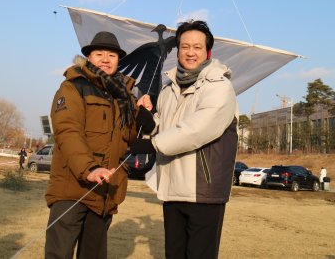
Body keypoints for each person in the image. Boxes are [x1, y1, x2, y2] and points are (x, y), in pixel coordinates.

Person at [130, 20, 238, 259]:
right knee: (174, 254)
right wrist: (148, 119)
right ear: (177, 50)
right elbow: (164, 127)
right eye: (185, 46)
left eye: (197, 47)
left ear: (207, 52)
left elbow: (197, 129)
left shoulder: (220, 87)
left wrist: (153, 144)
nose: (190, 52)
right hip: (171, 186)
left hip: (203, 190)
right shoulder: (169, 89)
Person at [44, 31, 153, 259]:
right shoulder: (73, 87)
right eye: (99, 54)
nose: (106, 59)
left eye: (111, 55)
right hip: (71, 188)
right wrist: (90, 169)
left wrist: (142, 112)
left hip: (105, 190)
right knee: (59, 254)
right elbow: (67, 131)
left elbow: (130, 138)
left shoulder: (125, 95)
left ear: (118, 60)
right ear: (89, 57)